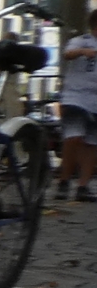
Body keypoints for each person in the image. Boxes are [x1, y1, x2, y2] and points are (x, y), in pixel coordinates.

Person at [58, 25, 97, 203]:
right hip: (76, 96)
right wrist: (82, 51)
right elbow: (67, 54)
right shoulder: (81, 40)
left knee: (92, 143)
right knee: (74, 138)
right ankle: (64, 181)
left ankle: (83, 185)